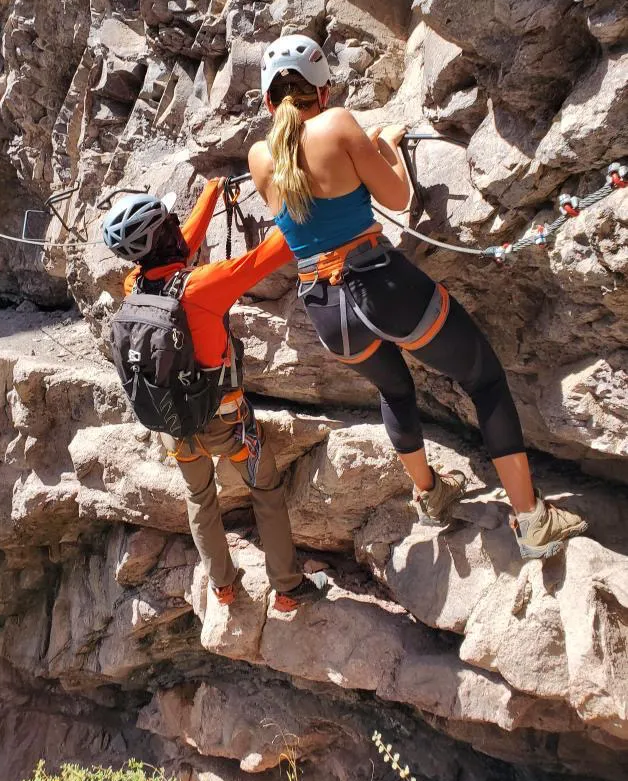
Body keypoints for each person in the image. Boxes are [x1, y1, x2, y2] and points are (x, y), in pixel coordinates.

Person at [248, 33, 588, 560]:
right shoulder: (338, 124)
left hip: (325, 307)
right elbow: (399, 197)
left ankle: (429, 496)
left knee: (395, 391)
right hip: (381, 283)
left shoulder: (259, 156)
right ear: (325, 89)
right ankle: (531, 519)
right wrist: (384, 147)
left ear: (269, 101)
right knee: (485, 379)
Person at [102, 179, 327, 608]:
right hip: (227, 423)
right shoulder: (205, 286)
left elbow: (176, 250)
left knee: (199, 498)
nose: (176, 225)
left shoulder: (135, 286)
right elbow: (276, 250)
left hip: (172, 423)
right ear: (166, 234)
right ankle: (286, 588)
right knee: (266, 490)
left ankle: (222, 586)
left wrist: (210, 194)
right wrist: (302, 189)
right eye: (171, 221)